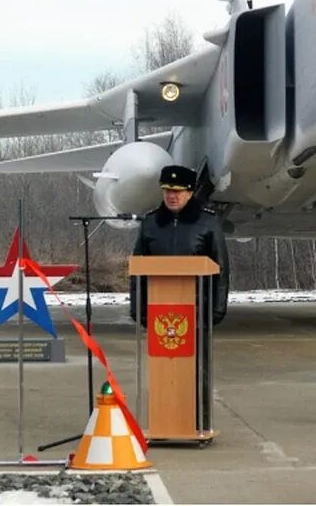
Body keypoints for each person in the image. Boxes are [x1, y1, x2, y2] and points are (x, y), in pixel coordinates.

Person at [129, 164, 230, 430]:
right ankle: (164, 422)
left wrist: (217, 308)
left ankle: (198, 423)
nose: (171, 196)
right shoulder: (151, 223)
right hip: (160, 312)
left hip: (197, 312)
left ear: (189, 192)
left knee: (197, 373)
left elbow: (221, 267)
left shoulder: (207, 222)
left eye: (177, 191)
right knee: (164, 371)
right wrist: (137, 307)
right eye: (167, 191)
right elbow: (138, 268)